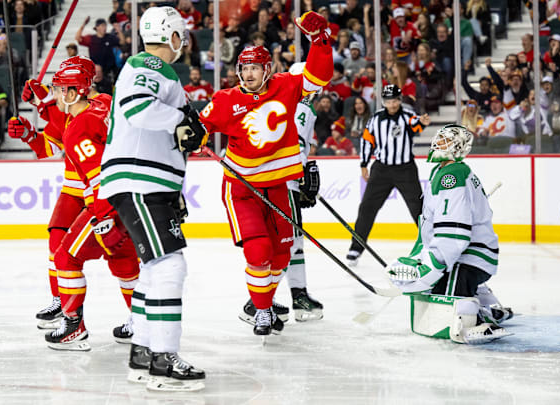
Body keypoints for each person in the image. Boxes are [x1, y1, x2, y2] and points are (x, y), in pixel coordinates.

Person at [198, 11, 333, 336]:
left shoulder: (286, 87)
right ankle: (261, 311)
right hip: (242, 189)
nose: (248, 73)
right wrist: (192, 133)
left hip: (277, 188)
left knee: (282, 252)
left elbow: (319, 76)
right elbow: (197, 126)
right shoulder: (226, 100)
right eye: (243, 68)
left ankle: (265, 302)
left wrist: (319, 41)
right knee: (258, 253)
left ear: (267, 69)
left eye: (254, 67)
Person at [98, 6, 206, 391]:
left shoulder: (152, 70)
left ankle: (143, 355)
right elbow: (139, 107)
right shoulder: (149, 66)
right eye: (182, 35)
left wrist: (187, 128)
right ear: (173, 36)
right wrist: (182, 123)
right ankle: (163, 359)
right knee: (168, 267)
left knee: (152, 269)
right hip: (139, 178)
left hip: (146, 181)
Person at [8, 56, 134, 343]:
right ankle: (62, 302)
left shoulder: (90, 108)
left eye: (62, 87)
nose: (57, 91)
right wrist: (30, 133)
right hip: (80, 189)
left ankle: (73, 318)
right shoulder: (92, 105)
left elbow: (72, 131)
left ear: (78, 88)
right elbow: (48, 145)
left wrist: (45, 102)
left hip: (98, 193)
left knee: (71, 255)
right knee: (59, 243)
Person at [387, 124, 512, 344]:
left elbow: (454, 235)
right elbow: (430, 225)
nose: (437, 143)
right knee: (435, 291)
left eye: (445, 140)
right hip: (465, 255)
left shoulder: (452, 175)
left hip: (469, 258)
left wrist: (432, 266)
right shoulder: (443, 171)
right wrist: (420, 257)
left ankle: (481, 316)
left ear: (458, 148)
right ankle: (488, 305)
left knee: (446, 304)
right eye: (439, 138)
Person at [239, 68, 325, 324]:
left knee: (293, 242)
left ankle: (297, 295)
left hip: (282, 180)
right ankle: (257, 303)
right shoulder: (301, 106)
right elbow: (295, 142)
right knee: (285, 243)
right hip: (283, 181)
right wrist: (300, 175)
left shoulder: (285, 102)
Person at [346, 84, 429, 265]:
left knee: (418, 209)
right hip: (381, 169)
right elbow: (367, 141)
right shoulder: (376, 119)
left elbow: (416, 125)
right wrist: (363, 164)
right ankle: (356, 247)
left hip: (405, 169)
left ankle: (431, 245)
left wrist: (422, 121)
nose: (391, 105)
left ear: (400, 101)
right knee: (367, 208)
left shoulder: (407, 116)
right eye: (388, 101)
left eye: (394, 101)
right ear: (383, 102)